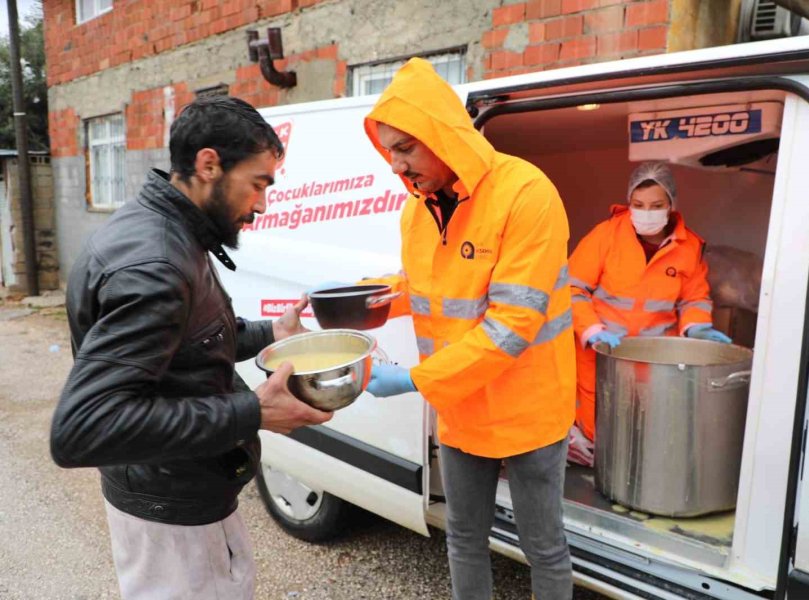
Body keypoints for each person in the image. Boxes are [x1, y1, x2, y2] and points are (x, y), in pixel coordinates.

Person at [50, 96, 333, 600]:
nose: (263, 203)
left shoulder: (168, 229)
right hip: (172, 516)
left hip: (179, 490)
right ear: (208, 165)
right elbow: (84, 429)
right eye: (259, 183)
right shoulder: (155, 263)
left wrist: (272, 334)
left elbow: (187, 340)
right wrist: (252, 412)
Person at [354, 58, 575, 600]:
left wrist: (414, 379)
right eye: (389, 151)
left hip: (529, 407)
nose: (396, 165)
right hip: (462, 406)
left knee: (543, 545)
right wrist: (377, 296)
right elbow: (437, 286)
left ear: (442, 135)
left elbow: (510, 327)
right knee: (463, 537)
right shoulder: (416, 210)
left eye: (405, 147)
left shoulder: (526, 194)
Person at [567, 161, 730, 462]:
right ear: (629, 202)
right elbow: (571, 288)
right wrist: (592, 330)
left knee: (647, 433)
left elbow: (694, 299)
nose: (646, 212)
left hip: (656, 360)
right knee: (598, 430)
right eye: (638, 204)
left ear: (671, 205)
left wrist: (696, 327)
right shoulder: (605, 236)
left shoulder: (689, 247)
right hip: (601, 352)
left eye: (656, 204)